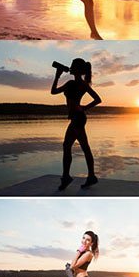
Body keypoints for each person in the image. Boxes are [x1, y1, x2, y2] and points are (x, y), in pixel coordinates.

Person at [50, 56, 101, 191]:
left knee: (77, 146)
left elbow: (98, 99)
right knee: (73, 146)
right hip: (76, 118)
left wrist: (83, 108)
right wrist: (57, 75)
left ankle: (72, 177)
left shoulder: (77, 84)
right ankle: (78, 177)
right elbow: (53, 92)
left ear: (77, 69)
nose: (70, 67)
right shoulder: (75, 83)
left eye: (73, 65)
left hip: (78, 118)